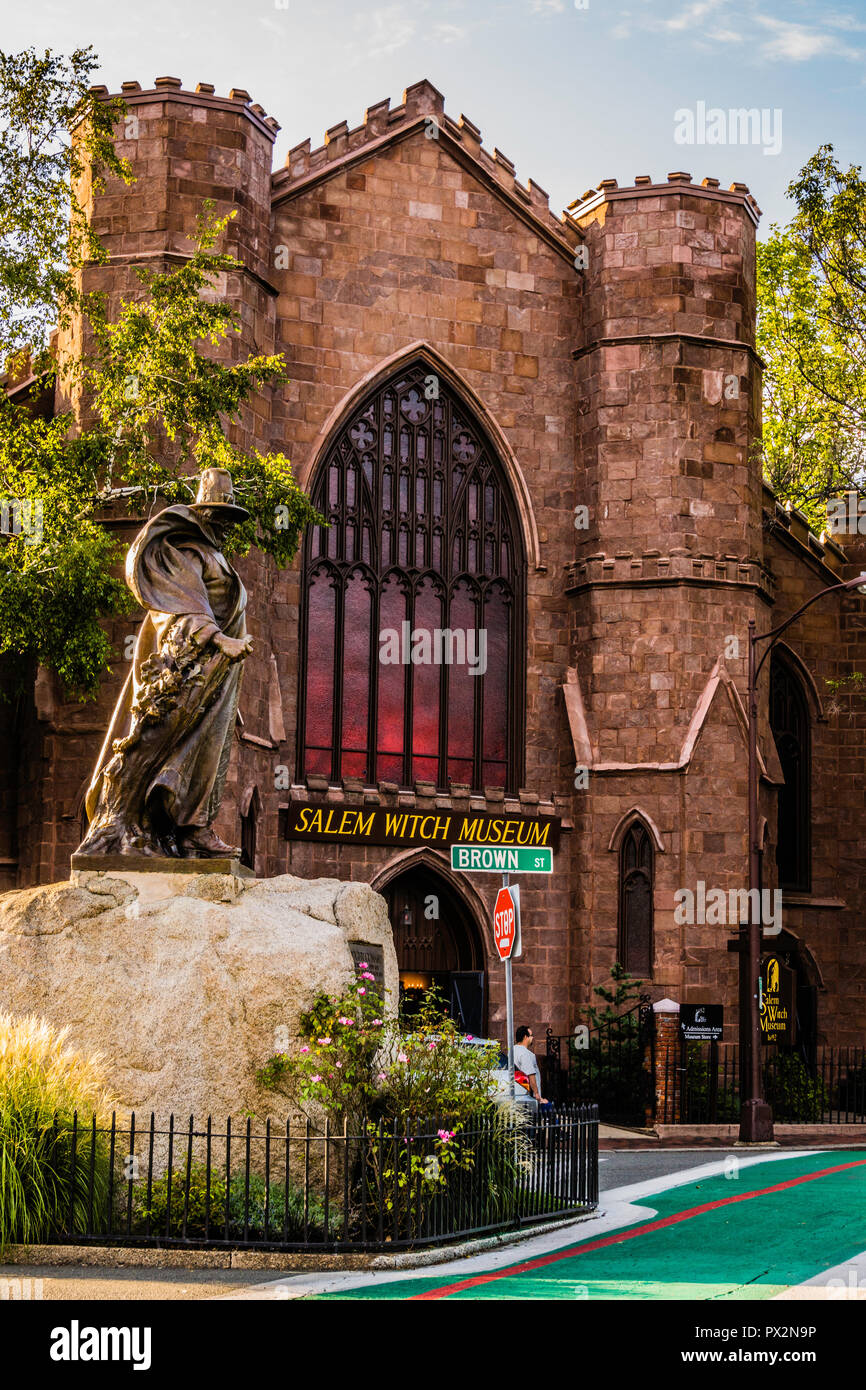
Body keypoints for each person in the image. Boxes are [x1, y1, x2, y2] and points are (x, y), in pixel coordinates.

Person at [76, 468, 253, 860]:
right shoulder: (183, 553)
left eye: (229, 517)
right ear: (202, 514)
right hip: (184, 671)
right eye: (219, 515)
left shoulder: (218, 556)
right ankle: (131, 825)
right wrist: (219, 639)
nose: (224, 524)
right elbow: (182, 606)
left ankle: (193, 831)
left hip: (216, 676)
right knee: (160, 746)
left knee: (208, 750)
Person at [513, 1025, 549, 1105]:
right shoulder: (526, 1054)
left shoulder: (512, 1051)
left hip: (517, 1093)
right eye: (531, 1035)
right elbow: (531, 1075)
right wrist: (537, 1095)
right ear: (526, 1037)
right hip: (529, 1095)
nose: (532, 1038)